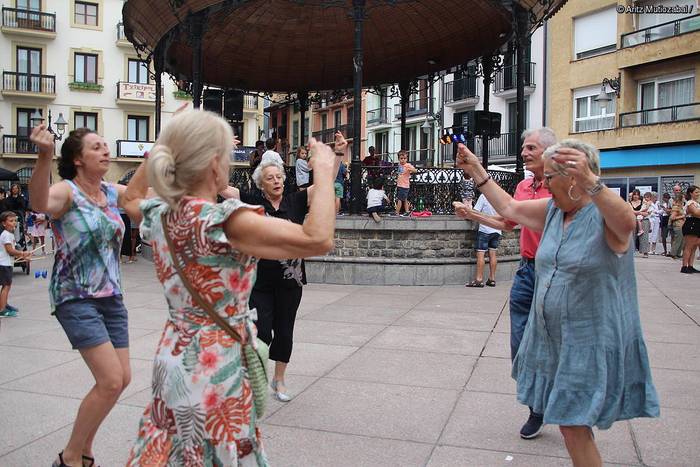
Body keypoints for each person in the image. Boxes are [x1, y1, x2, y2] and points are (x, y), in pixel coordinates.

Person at [123, 110, 337, 466]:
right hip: (216, 362)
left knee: (178, 446)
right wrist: (326, 173)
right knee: (217, 448)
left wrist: (162, 144)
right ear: (213, 165)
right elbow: (318, 239)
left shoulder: (162, 213)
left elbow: (129, 198)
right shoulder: (225, 221)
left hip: (173, 354)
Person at [456, 139, 659, 467]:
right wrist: (475, 168)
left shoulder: (603, 216)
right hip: (555, 339)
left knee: (572, 424)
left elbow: (627, 223)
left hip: (588, 342)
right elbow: (508, 209)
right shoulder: (553, 211)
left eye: (551, 177)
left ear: (575, 180)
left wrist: (593, 182)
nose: (545, 183)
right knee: (572, 425)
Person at [29, 125, 141, 467]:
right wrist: (45, 156)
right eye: (97, 147)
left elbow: (141, 197)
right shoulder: (67, 192)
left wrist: (165, 149)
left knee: (122, 380)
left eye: (106, 145)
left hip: (111, 297)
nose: (106, 150)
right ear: (78, 159)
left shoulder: (110, 191)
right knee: (109, 380)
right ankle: (71, 457)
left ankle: (85, 451)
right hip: (76, 296)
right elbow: (38, 202)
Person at [219, 130, 346, 405]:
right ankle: (259, 378)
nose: (276, 181)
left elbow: (326, 182)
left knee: (285, 331)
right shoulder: (251, 199)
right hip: (259, 280)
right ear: (260, 183)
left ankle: (279, 379)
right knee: (261, 330)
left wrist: (336, 155)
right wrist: (222, 152)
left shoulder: (295, 200)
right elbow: (219, 186)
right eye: (270, 178)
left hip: (291, 280)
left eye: (278, 177)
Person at [454, 127, 555, 439]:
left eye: (531, 148)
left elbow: (512, 212)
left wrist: (477, 170)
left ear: (550, 152)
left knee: (554, 345)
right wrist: (473, 215)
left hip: (555, 275)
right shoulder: (524, 185)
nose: (524, 153)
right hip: (527, 273)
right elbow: (508, 222)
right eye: (523, 147)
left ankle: (558, 404)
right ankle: (537, 407)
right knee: (520, 346)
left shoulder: (563, 188)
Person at [463, 194, 501, 288]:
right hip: (497, 229)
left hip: (485, 230)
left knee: (481, 254)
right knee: (493, 254)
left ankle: (479, 280)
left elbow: (475, 211)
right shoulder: (498, 196)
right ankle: (492, 279)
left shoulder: (484, 196)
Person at [0, 211, 31, 317]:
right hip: (4, 264)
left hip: (6, 263)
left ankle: (4, 304)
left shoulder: (9, 234)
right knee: (6, 286)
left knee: (6, 286)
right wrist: (22, 253)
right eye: (11, 221)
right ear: (4, 224)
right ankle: (2, 309)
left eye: (15, 221)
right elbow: (10, 251)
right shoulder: (6, 235)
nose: (14, 223)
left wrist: (24, 257)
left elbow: (12, 251)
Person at [681, 185, 700, 274]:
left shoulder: (697, 203)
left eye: (698, 192)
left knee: (694, 247)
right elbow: (695, 213)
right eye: (696, 192)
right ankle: (684, 266)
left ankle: (691, 266)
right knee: (689, 246)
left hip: (697, 224)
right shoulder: (690, 203)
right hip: (691, 224)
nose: (698, 194)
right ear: (691, 193)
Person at [395, 149, 416, 216]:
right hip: (400, 185)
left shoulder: (408, 165)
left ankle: (397, 212)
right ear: (399, 159)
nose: (403, 160)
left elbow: (415, 170)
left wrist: (411, 169)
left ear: (407, 159)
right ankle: (407, 211)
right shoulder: (399, 165)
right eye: (401, 158)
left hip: (404, 185)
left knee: (400, 199)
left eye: (404, 158)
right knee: (405, 199)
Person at [669, 193, 685, 260]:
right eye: (683, 198)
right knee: (677, 240)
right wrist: (682, 216)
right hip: (678, 225)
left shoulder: (680, 207)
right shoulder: (676, 207)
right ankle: (673, 253)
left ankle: (678, 253)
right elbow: (672, 217)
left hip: (682, 225)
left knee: (681, 240)